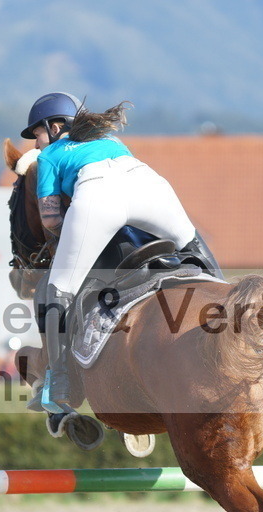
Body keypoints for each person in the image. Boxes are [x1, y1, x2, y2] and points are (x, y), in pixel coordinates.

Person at [21, 92, 198, 414]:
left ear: (56, 126)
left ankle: (58, 382)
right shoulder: (112, 141)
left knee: (55, 290)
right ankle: (233, 312)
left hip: (99, 197)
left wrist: (75, 239)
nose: (36, 145)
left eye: (38, 135)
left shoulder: (49, 157)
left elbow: (50, 220)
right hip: (153, 189)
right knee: (193, 243)